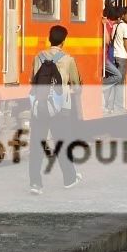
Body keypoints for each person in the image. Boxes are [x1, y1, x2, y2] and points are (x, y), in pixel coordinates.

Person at [28, 25, 82, 194]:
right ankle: (69, 179)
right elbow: (77, 84)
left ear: (49, 38)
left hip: (40, 105)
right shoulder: (68, 59)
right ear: (64, 41)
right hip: (61, 109)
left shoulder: (38, 57)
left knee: (37, 145)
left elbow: (33, 79)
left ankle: (35, 184)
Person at [103, 5, 127, 114]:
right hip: (122, 57)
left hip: (114, 56)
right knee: (120, 83)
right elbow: (126, 44)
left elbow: (111, 40)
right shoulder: (125, 27)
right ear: (123, 15)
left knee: (114, 82)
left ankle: (110, 106)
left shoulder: (115, 26)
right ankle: (117, 106)